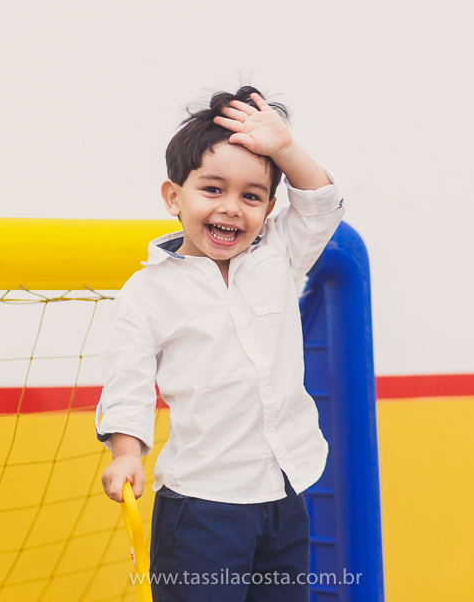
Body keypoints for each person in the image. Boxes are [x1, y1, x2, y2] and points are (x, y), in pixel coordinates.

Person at [95, 85, 344, 601]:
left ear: (269, 207)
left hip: (283, 490)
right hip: (202, 508)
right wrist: (126, 453)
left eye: (251, 196)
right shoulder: (148, 292)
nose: (232, 208)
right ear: (173, 197)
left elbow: (321, 204)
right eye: (213, 190)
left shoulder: (278, 256)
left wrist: (284, 150)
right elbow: (129, 385)